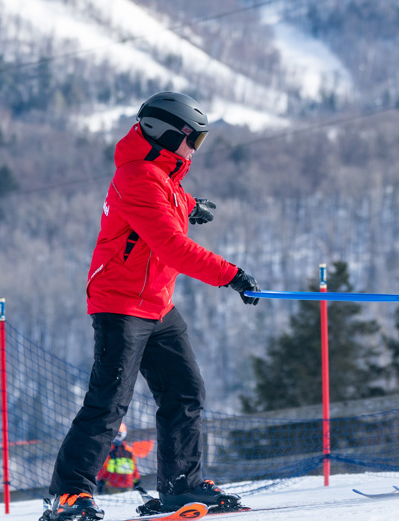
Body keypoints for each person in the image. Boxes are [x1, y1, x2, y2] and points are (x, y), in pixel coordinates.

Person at [43, 92, 262, 521]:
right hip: (121, 305)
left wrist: (190, 205)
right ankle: (68, 494)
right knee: (109, 404)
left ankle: (182, 485)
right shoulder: (138, 178)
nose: (194, 150)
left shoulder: (158, 175)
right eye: (192, 141)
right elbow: (172, 246)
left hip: (157, 306)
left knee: (185, 392)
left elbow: (168, 194)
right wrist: (231, 274)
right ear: (165, 135)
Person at [95, 425, 143, 494]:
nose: (117, 438)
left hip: (124, 485)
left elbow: (133, 467)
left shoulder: (127, 450)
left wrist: (137, 480)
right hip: (113, 486)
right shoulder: (109, 450)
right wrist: (101, 481)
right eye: (115, 435)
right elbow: (103, 468)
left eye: (119, 435)